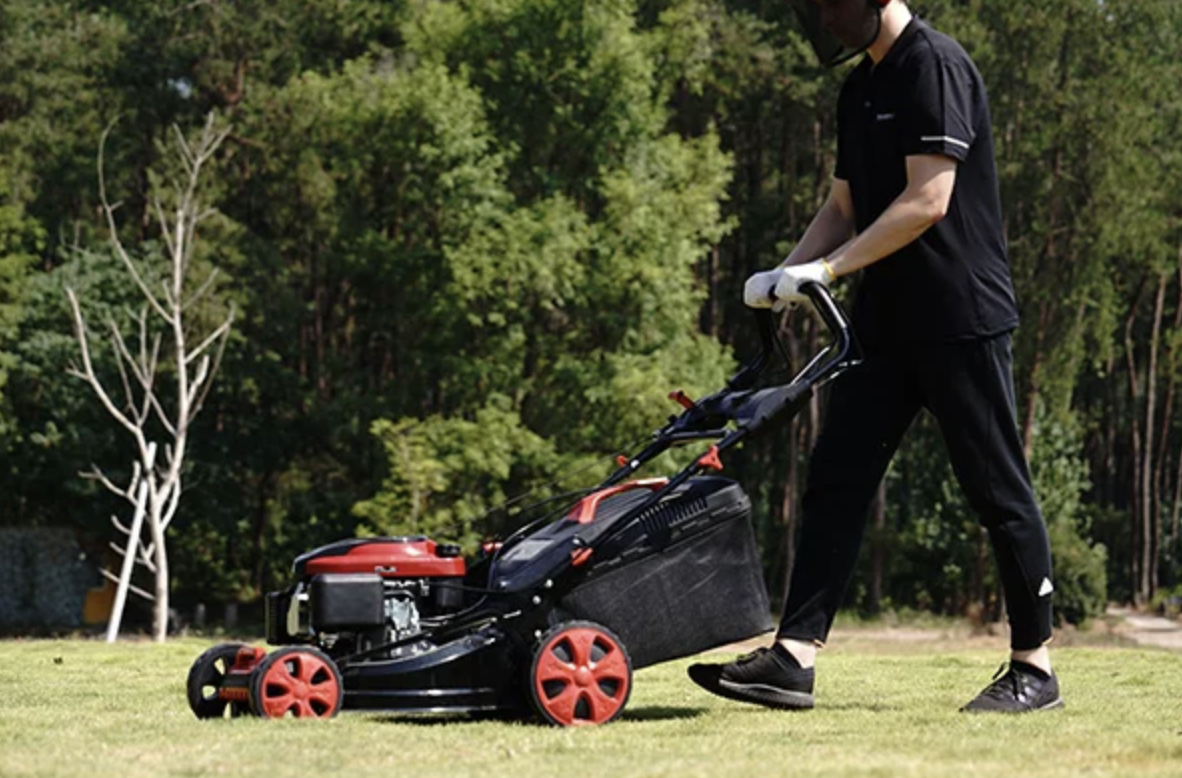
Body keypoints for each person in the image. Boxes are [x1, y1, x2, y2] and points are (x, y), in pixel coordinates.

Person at [687, 0, 1062, 714]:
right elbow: (843, 207)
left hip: (960, 319)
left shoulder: (935, 65)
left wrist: (828, 271)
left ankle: (1034, 670)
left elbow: (928, 200)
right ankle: (793, 659)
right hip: (884, 326)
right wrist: (786, 273)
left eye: (832, 3)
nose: (825, 21)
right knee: (837, 481)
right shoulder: (860, 87)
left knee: (996, 490)